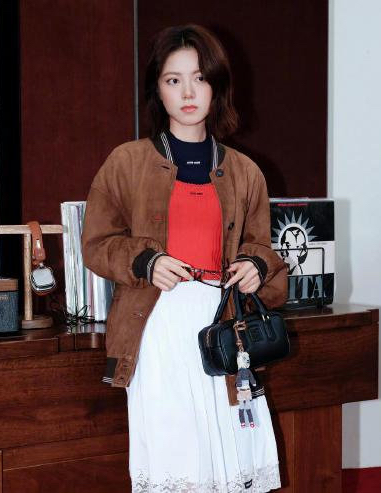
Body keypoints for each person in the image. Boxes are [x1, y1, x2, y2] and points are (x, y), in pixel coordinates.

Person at [81, 25, 288, 492]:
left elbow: (263, 249)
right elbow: (96, 243)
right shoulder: (126, 163)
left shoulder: (245, 171)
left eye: (199, 78)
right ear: (158, 89)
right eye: (174, 80)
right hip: (157, 325)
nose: (188, 93)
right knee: (175, 455)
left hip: (224, 327)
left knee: (232, 455)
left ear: (217, 86)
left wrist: (255, 267)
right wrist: (146, 261)